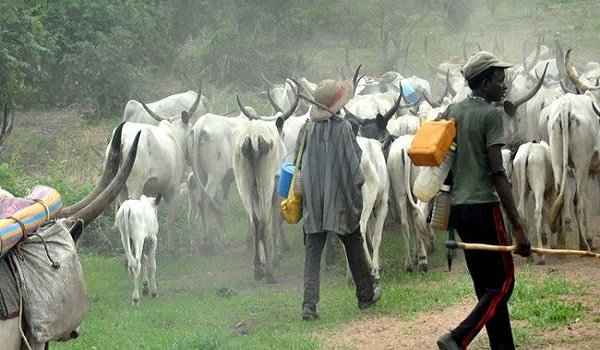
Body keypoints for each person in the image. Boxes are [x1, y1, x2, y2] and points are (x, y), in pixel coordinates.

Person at [436, 51, 531, 350]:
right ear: (485, 83)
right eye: (500, 81)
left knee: (485, 286)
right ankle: (458, 337)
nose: (504, 87)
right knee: (503, 282)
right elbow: (497, 172)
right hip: (483, 208)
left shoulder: (454, 109)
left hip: (460, 211)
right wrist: (518, 223)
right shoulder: (491, 115)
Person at [296, 79, 381, 321]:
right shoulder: (343, 128)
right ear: (336, 104)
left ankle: (308, 306)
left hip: (313, 202)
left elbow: (298, 163)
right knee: (353, 243)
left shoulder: (306, 129)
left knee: (313, 252)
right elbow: (355, 166)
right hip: (339, 201)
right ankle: (365, 295)